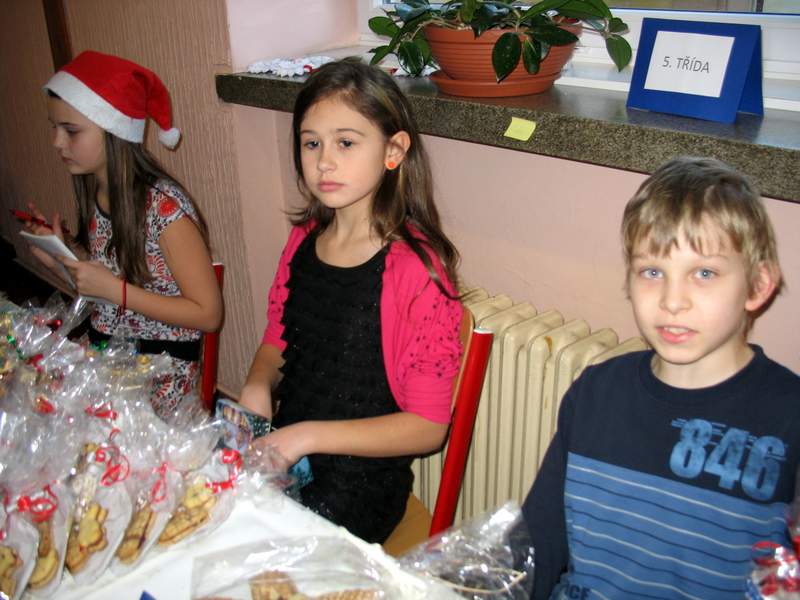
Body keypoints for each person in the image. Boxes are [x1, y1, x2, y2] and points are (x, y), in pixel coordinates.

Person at [522, 157, 800, 599]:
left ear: (758, 285)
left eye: (704, 273)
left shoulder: (789, 417)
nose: (672, 301)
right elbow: (539, 544)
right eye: (652, 272)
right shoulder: (594, 394)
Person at [238, 58, 463, 543]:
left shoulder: (415, 271)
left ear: (393, 151)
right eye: (311, 143)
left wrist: (307, 436)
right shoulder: (303, 240)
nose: (324, 161)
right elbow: (278, 338)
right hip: (288, 461)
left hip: (359, 490)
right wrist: (258, 383)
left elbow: (428, 426)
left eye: (345, 142)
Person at [24, 50, 222, 419]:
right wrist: (62, 256)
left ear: (113, 129)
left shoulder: (164, 210)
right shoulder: (98, 191)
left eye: (71, 130)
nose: (57, 142)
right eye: (54, 128)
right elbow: (105, 287)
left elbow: (208, 314)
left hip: (159, 372)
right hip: (111, 352)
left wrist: (116, 291)